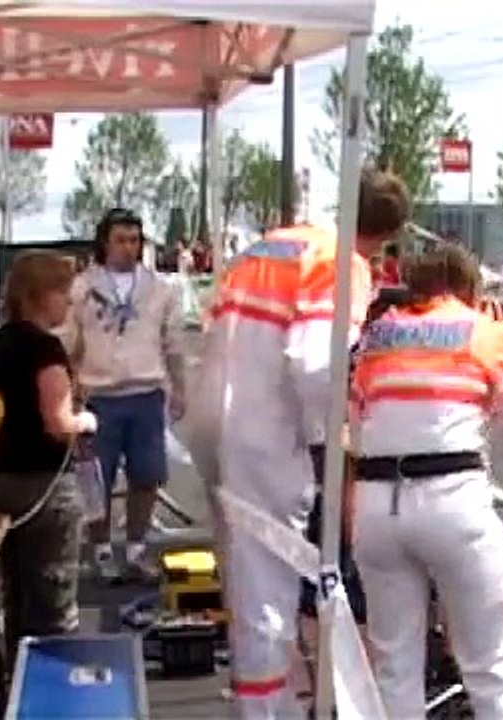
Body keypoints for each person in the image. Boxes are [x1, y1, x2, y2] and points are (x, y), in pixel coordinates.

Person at [186, 169, 406, 718]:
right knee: (267, 590)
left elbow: (209, 322)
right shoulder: (341, 264)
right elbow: (314, 362)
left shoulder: (272, 245)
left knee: (244, 582)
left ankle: (265, 702)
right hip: (266, 429)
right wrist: (334, 436)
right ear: (389, 237)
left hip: (215, 412)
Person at [348, 243, 503, 720]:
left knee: (394, 667)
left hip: (376, 504)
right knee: (489, 669)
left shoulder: (378, 336)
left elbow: (356, 419)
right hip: (453, 501)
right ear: (470, 288)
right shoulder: (482, 330)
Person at [0, 251, 98, 668]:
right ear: (40, 296)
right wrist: (86, 420)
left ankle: (14, 684)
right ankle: (54, 692)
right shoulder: (44, 349)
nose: (69, 304)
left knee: (14, 598)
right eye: (63, 294)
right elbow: (57, 422)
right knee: (52, 602)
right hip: (41, 485)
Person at [59, 208, 187, 583]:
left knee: (146, 477)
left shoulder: (159, 290)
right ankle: (100, 551)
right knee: (96, 480)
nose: (128, 248)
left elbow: (174, 344)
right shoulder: (82, 288)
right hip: (98, 396)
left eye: (134, 240)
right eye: (120, 240)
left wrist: (179, 390)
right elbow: (69, 342)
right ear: (105, 242)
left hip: (146, 393)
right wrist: (69, 392)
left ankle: (135, 550)